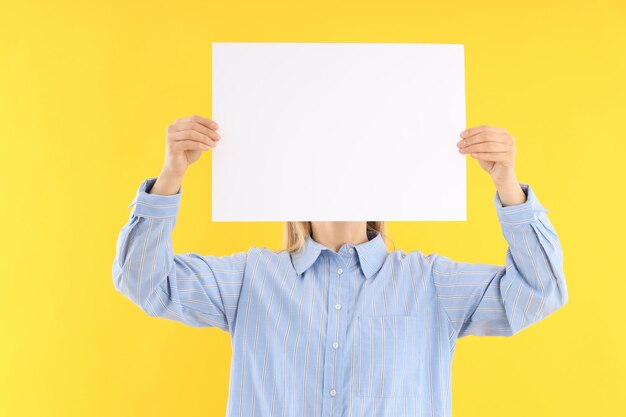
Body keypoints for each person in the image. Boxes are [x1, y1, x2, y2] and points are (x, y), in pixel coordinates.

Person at [112, 114, 568, 417]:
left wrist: (508, 186)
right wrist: (171, 174)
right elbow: (144, 280)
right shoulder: (251, 280)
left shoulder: (430, 284)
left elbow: (539, 292)